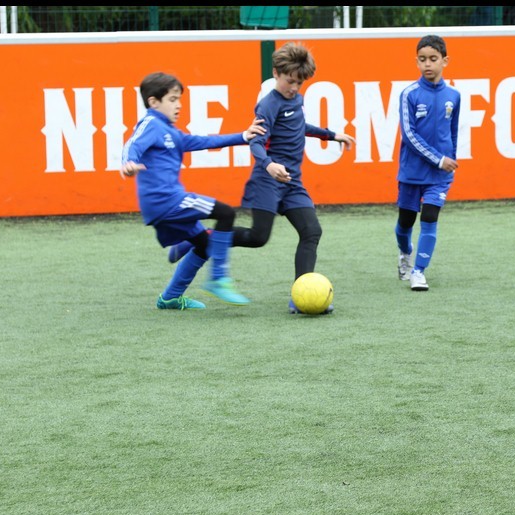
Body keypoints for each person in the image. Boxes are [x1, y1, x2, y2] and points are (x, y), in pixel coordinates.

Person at [168, 42, 354, 314]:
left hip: (291, 182)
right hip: (267, 180)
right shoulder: (268, 105)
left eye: (299, 83)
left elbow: (299, 125)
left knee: (311, 231)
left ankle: (300, 296)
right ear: (276, 73)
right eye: (290, 81)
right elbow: (255, 141)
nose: (294, 87)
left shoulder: (296, 99)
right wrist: (269, 165)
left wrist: (331, 135)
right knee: (258, 237)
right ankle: (203, 236)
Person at [121, 72, 265, 310]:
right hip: (167, 201)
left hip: (164, 205)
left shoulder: (172, 133)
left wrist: (243, 136)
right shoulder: (150, 123)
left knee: (204, 244)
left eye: (179, 99)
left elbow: (203, 142)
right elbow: (132, 144)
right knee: (226, 213)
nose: (178, 105)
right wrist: (128, 162)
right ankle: (218, 278)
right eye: (172, 99)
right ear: (153, 102)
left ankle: (170, 297)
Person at [395, 35, 460, 291]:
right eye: (422, 59)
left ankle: (419, 271)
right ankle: (405, 252)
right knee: (405, 223)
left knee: (430, 217)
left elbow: (452, 132)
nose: (428, 64)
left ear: (445, 61)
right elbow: (409, 136)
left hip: (440, 175)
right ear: (416, 62)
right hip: (412, 172)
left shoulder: (454, 95)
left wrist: (450, 158)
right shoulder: (409, 94)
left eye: (433, 59)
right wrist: (439, 159)